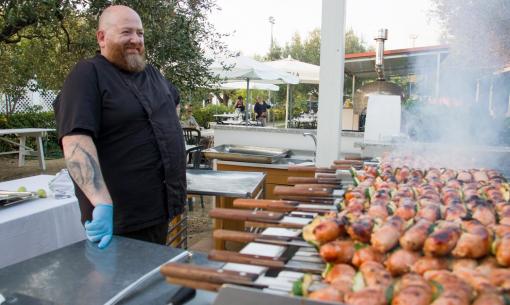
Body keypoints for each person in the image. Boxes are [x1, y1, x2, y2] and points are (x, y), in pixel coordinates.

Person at [53, 5, 186, 249]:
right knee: (121, 286)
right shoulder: (87, 74)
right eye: (126, 32)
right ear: (101, 37)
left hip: (159, 209)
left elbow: (173, 103)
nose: (136, 39)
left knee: (152, 283)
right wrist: (101, 202)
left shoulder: (153, 74)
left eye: (140, 33)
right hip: (119, 220)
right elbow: (75, 141)